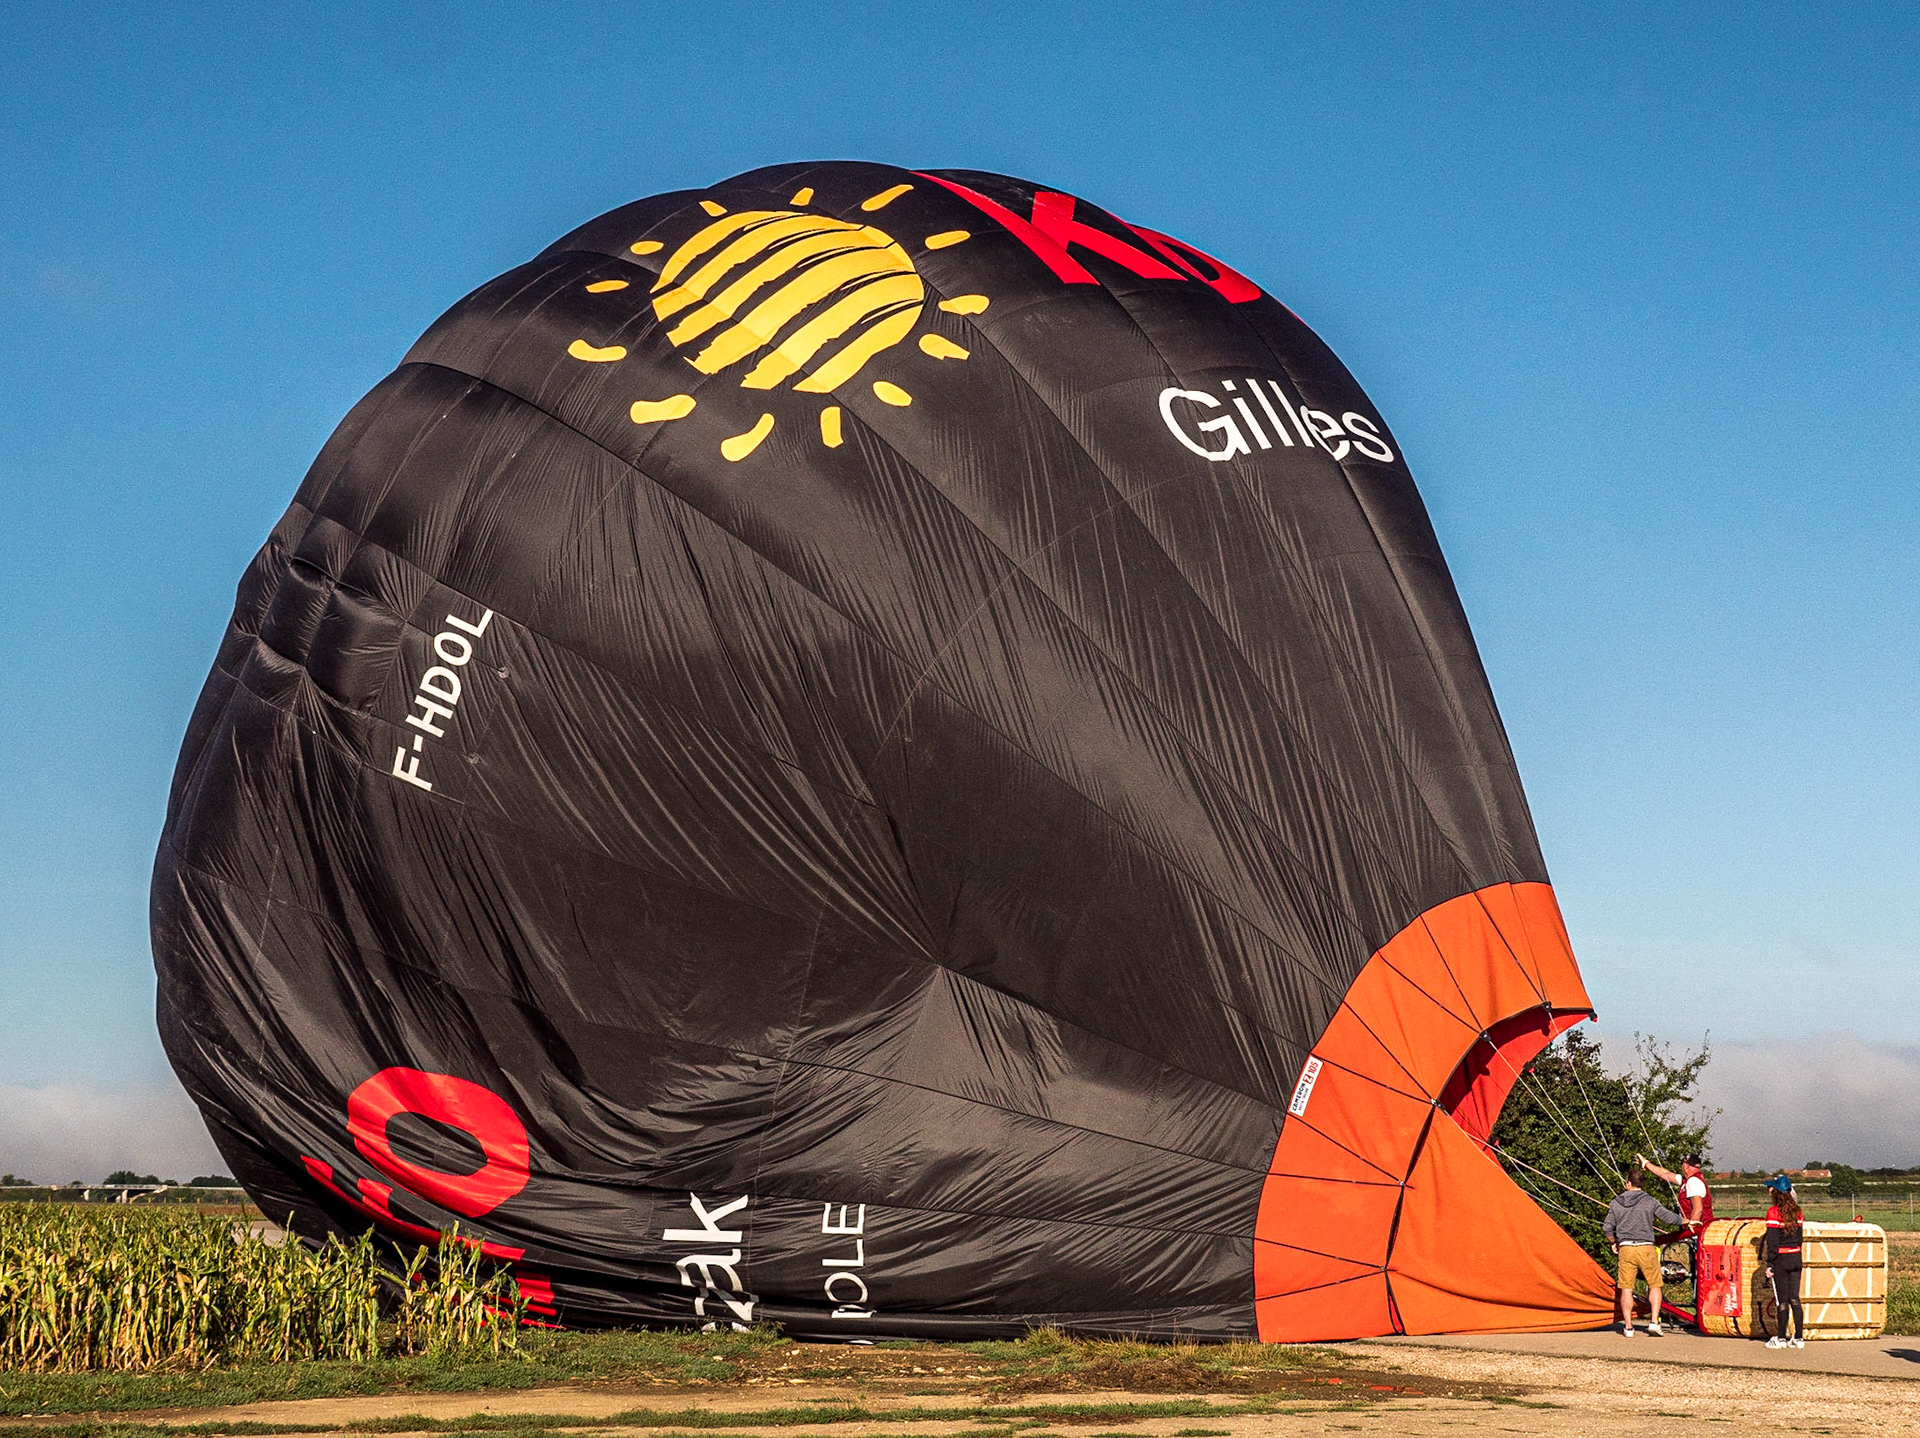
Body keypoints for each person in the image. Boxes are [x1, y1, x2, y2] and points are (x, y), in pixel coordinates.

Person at [1603, 1165, 1686, 1336]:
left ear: (1628, 1183)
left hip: (1626, 1248)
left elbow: (1607, 1227)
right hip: (1646, 1247)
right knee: (1655, 1285)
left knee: (1627, 1288)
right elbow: (1668, 1217)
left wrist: (1613, 1242)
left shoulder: (1616, 1202)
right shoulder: (1650, 1201)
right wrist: (1686, 1221)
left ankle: (1628, 1327)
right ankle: (1654, 1322)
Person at [1762, 1176, 1806, 1350]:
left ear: (1776, 1192)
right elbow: (1800, 1238)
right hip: (1796, 1257)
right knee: (1795, 1298)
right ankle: (1799, 1338)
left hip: (1781, 1259)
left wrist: (1770, 1264)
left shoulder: (1773, 1213)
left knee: (1782, 1300)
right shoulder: (1798, 1212)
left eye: (1771, 1188)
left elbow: (1772, 1242)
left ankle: (1780, 1338)